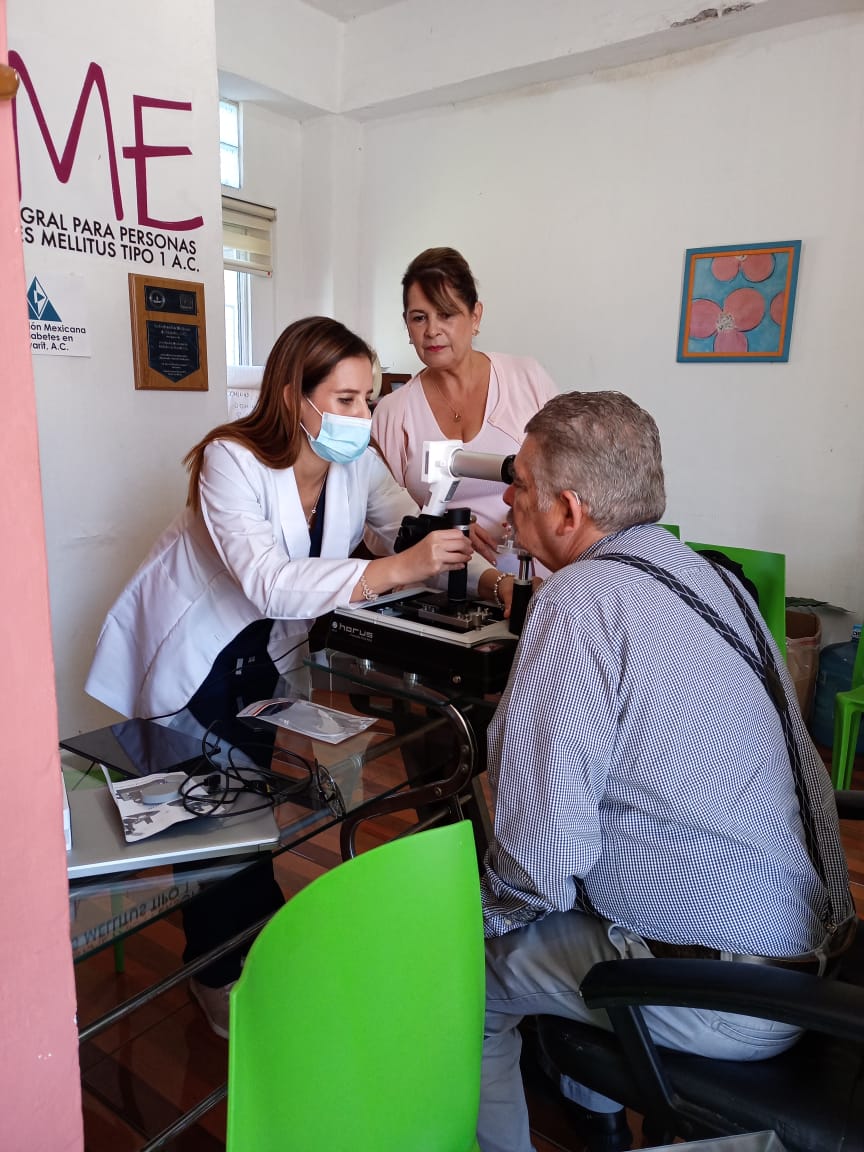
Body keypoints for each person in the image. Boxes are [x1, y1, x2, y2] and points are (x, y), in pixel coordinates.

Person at [478, 391, 855, 1152]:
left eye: (519, 481)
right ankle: (600, 1114)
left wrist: (473, 917)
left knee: (471, 973)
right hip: (810, 954)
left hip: (726, 996)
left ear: (569, 511)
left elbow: (544, 865)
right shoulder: (713, 580)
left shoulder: (578, 601)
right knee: (568, 904)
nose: (508, 498)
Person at [85, 316, 477, 1038]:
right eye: (350, 399)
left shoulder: (354, 462)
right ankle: (216, 976)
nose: (365, 415)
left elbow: (400, 529)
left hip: (266, 658)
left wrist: (458, 543)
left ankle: (255, 953)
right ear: (297, 397)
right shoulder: (230, 460)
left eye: (369, 397)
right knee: (208, 827)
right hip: (196, 659)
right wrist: (397, 567)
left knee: (247, 812)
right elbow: (267, 582)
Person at [371, 246, 558, 596]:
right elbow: (379, 524)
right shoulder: (393, 412)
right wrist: (441, 529)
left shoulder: (527, 379)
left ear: (475, 316)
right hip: (437, 594)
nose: (432, 331)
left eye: (447, 314)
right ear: (407, 325)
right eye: (419, 317)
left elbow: (570, 482)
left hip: (533, 586)